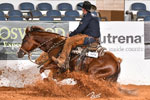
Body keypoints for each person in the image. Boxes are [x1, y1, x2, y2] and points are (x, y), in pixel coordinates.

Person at [52, 1, 101, 68]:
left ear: (84, 9)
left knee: (69, 41)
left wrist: (71, 34)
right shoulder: (93, 16)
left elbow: (80, 29)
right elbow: (86, 29)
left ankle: (62, 60)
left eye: (82, 9)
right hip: (93, 37)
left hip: (89, 37)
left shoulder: (87, 17)